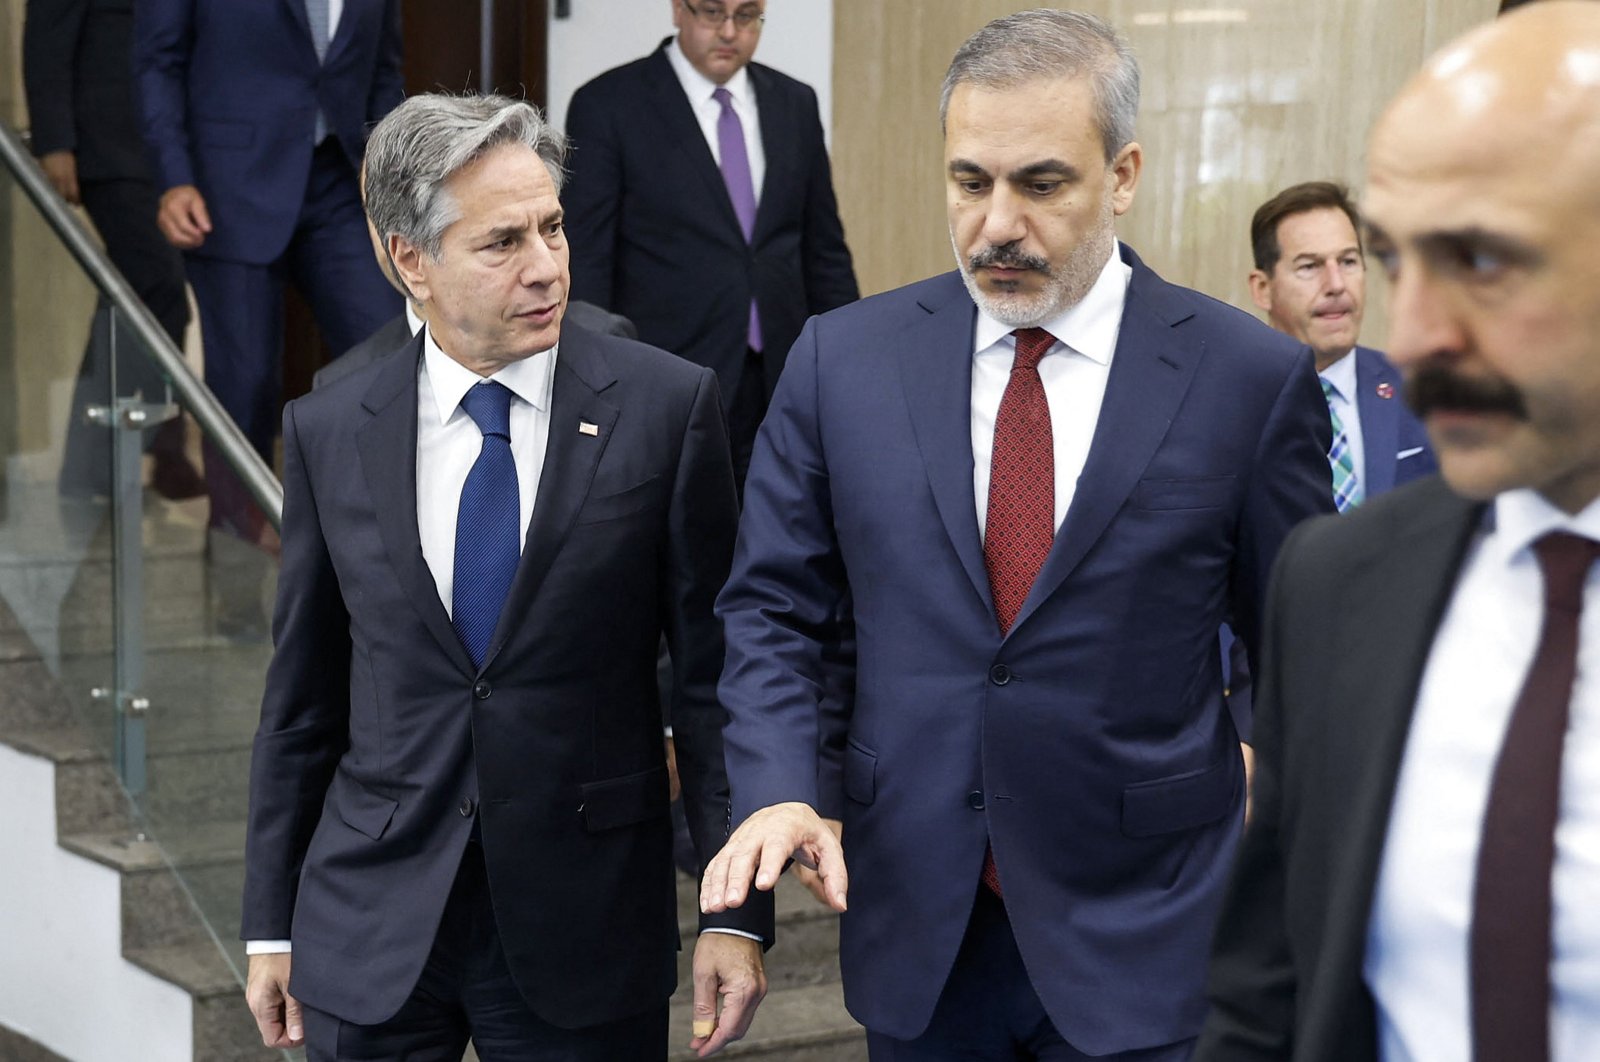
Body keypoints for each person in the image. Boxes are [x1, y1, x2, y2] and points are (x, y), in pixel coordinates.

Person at [701, 10, 1334, 1060]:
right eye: (968, 182)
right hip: (917, 917)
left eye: (1040, 184)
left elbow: (1304, 635)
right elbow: (771, 612)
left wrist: (1262, 758)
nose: (997, 223)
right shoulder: (839, 364)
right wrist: (775, 788)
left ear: (1122, 173)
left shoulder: (1244, 380)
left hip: (1150, 922)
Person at [240, 93, 771, 1061]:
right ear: (411, 261)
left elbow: (713, 682)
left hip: (586, 920)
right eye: (501, 243)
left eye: (553, 227)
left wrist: (737, 915)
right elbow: (303, 701)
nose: (547, 266)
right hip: (371, 922)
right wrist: (269, 922)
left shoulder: (665, 408)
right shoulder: (329, 426)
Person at [1197, 4, 1600, 1060]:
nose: (1413, 333)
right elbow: (1264, 997)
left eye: (1478, 259)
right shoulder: (1337, 586)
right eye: (1397, 259)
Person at [562, 0, 859, 485]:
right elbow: (589, 257)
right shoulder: (610, 104)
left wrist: (851, 357)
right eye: (711, 13)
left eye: (746, 16)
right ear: (678, 10)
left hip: (780, 371)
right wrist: (591, 378)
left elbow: (823, 249)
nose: (728, 31)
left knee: (779, 531)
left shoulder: (794, 103)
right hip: (666, 371)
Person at [132, 0, 403, 529]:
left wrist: (392, 168)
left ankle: (375, 525)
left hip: (344, 184)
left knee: (391, 351)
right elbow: (157, 62)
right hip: (228, 184)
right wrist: (173, 177)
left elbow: (384, 69)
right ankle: (237, 536)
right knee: (246, 379)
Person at [23, 0, 201, 500]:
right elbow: (47, 31)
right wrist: (54, 141)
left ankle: (96, 465)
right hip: (105, 144)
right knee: (155, 285)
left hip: (164, 147)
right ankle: (152, 443)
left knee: (129, 300)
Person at [1248, 181, 1435, 508]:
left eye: (1348, 262)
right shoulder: (1231, 405)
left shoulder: (1423, 389)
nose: (1336, 285)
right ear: (1263, 288)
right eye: (1309, 266)